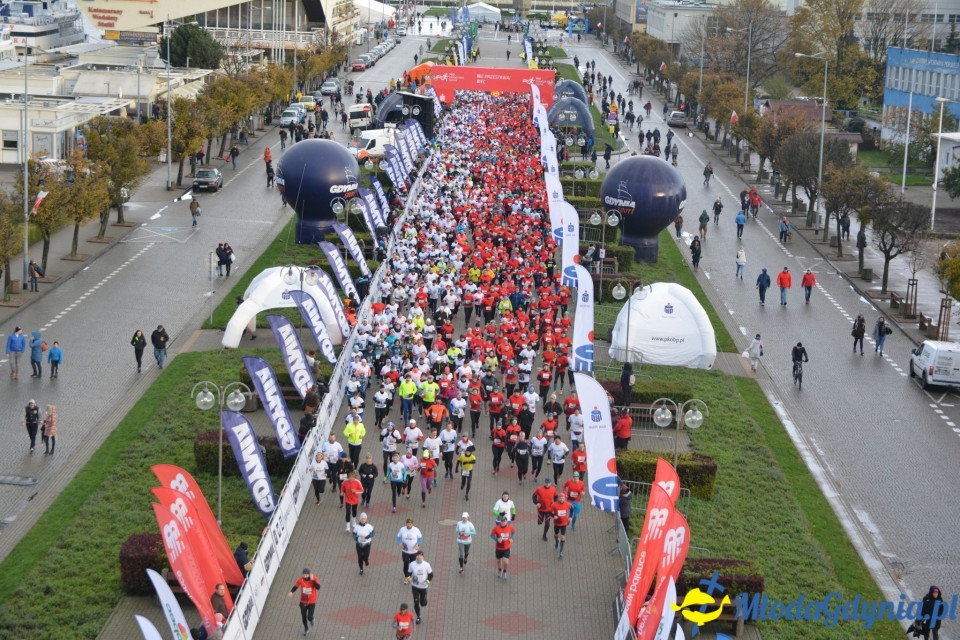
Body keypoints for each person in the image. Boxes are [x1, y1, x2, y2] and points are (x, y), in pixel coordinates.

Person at [287, 568, 320, 636]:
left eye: (306, 575)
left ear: (309, 574)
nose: (305, 576)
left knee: (309, 617)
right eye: (304, 575)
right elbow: (296, 586)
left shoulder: (314, 578)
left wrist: (313, 580)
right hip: (303, 601)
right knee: (303, 617)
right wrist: (291, 592)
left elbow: (318, 587)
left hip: (312, 602)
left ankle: (312, 619)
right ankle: (306, 629)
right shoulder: (300, 580)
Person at [406, 551, 433, 624]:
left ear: (423, 557)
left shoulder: (426, 565)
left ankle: (424, 599)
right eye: (418, 556)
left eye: (420, 556)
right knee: (416, 602)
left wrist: (427, 582)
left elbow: (431, 575)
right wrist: (408, 578)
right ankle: (418, 616)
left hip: (423, 587)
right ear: (416, 557)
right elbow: (408, 573)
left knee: (423, 603)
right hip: (415, 587)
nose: (419, 557)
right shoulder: (412, 564)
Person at [490, 514, 515, 580]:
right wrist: (497, 539)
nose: (503, 522)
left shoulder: (510, 527)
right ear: (500, 521)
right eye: (502, 521)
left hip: (507, 547)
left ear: (507, 522)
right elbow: (492, 535)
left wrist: (511, 538)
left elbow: (513, 532)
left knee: (506, 561)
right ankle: (499, 570)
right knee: (499, 560)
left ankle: (505, 571)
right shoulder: (496, 528)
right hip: (499, 547)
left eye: (504, 521)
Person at [533, 477, 557, 541]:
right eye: (546, 483)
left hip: (549, 510)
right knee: (540, 522)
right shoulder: (539, 489)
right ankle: (540, 520)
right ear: (544, 483)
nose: (547, 484)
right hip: (541, 509)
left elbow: (556, 497)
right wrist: (537, 503)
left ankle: (544, 535)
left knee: (547, 524)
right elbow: (534, 496)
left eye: (548, 483)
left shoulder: (553, 489)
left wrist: (554, 503)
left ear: (550, 483)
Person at [551, 492, 571, 558]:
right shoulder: (554, 505)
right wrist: (553, 516)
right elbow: (549, 512)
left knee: (563, 537)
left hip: (564, 524)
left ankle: (561, 551)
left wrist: (570, 517)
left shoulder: (567, 504)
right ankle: (557, 541)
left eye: (563, 498)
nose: (562, 499)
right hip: (557, 523)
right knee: (556, 535)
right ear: (558, 499)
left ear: (565, 498)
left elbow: (572, 509)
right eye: (560, 498)